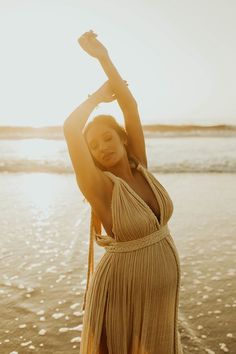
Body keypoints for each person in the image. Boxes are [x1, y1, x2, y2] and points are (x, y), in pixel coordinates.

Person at [63, 30, 183, 354]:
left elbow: (130, 106)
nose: (102, 148)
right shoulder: (99, 187)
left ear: (123, 139)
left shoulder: (140, 166)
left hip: (159, 297)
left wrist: (104, 58)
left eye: (107, 138)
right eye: (94, 146)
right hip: (121, 291)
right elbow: (70, 128)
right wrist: (95, 98)